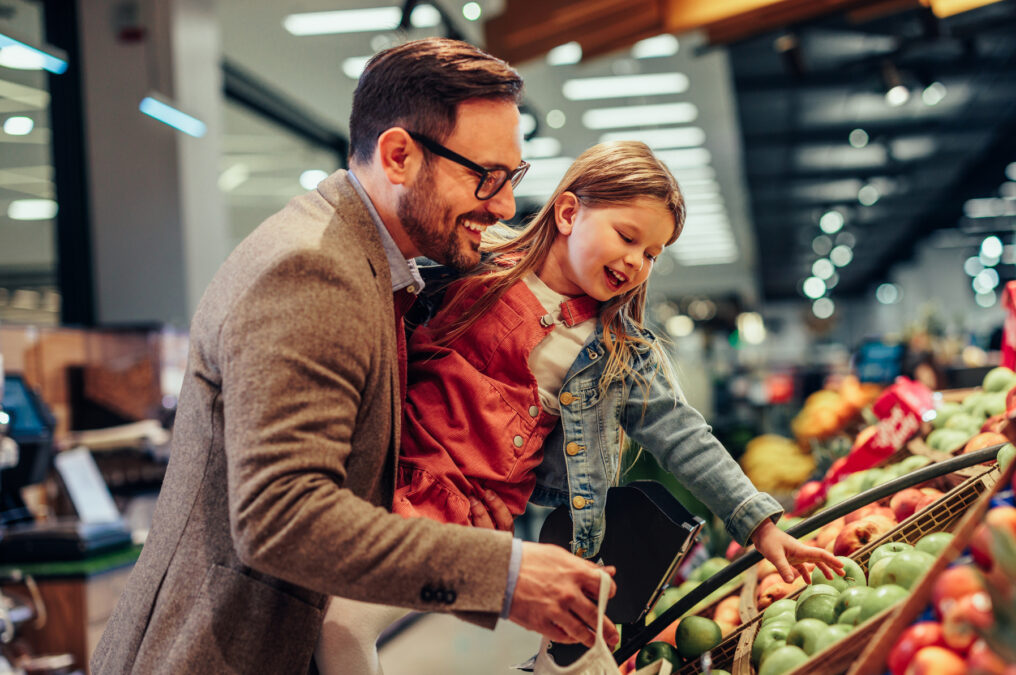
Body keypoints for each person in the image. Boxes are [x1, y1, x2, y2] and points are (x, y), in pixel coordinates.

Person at [92, 38, 618, 675]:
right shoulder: (313, 268)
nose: (505, 206)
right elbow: (281, 516)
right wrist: (504, 576)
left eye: (514, 179)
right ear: (399, 155)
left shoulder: (370, 266)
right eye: (486, 176)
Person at [316, 141, 843, 673]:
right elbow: (379, 311)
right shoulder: (471, 270)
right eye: (628, 237)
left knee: (343, 624)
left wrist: (760, 524)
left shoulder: (620, 353)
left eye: (653, 254)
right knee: (319, 614)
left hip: (458, 516)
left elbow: (684, 435)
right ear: (568, 213)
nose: (637, 261)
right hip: (376, 477)